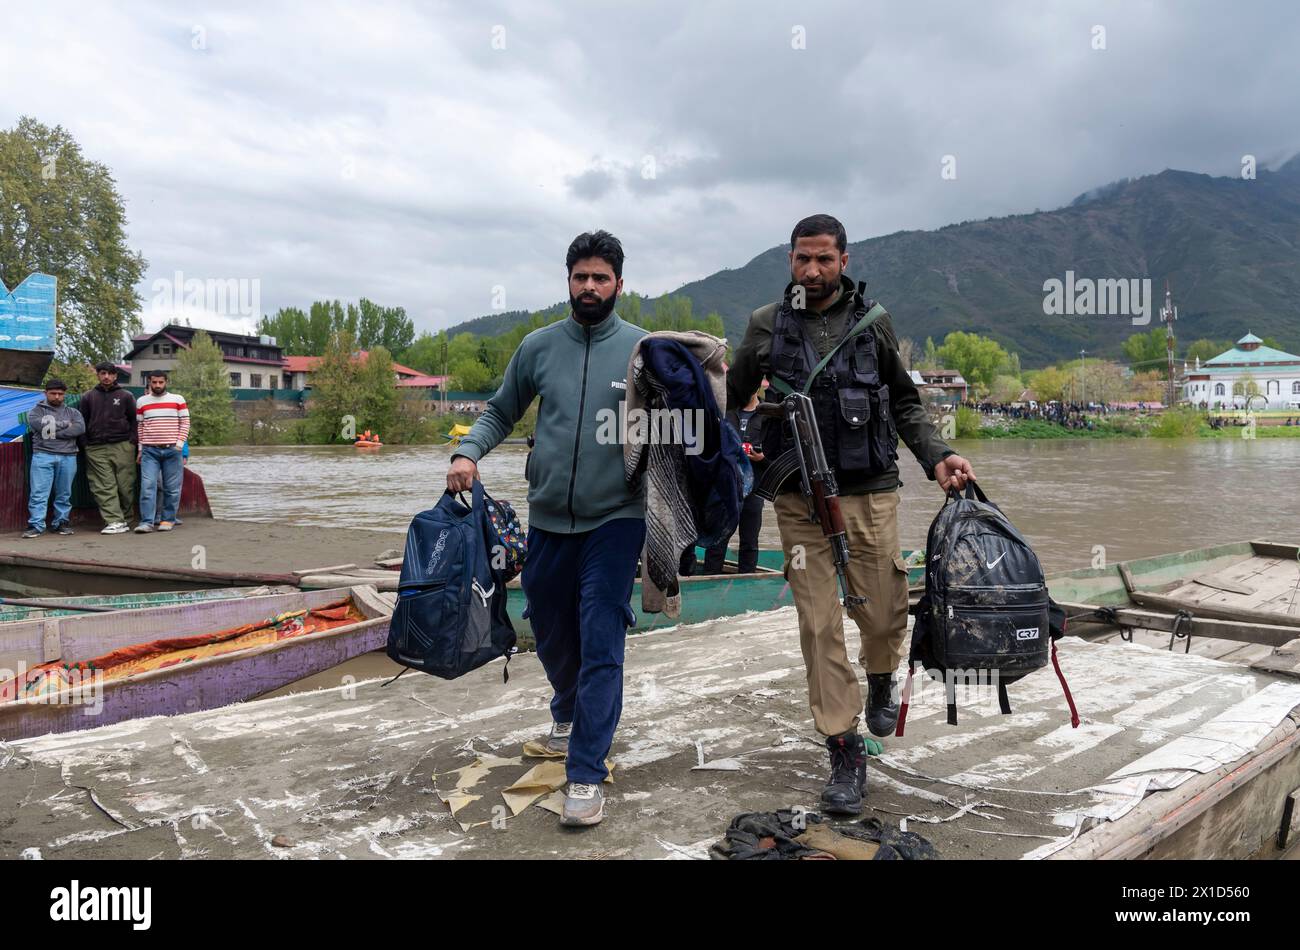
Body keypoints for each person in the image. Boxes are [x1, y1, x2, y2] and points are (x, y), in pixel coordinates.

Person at [726, 214, 975, 816]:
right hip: (797, 499)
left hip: (870, 491)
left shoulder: (873, 323)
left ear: (845, 261)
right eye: (802, 260)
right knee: (818, 624)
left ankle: (884, 674)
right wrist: (738, 443)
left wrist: (938, 457)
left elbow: (907, 403)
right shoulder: (765, 326)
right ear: (789, 260)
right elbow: (732, 400)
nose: (812, 271)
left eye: (824, 260)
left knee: (886, 609)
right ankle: (844, 746)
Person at [447, 231, 646, 828]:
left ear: (618, 283)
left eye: (601, 277)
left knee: (601, 635)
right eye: (580, 276)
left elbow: (680, 425)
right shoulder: (539, 347)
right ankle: (566, 710)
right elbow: (500, 409)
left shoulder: (643, 351)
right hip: (548, 520)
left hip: (618, 517)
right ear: (568, 281)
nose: (590, 287)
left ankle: (586, 773)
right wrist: (469, 454)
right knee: (551, 630)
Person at [700, 387, 770, 574]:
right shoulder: (725, 412)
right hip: (725, 488)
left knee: (749, 541)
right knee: (718, 540)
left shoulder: (767, 414)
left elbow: (775, 455)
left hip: (754, 489)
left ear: (757, 387)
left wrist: (762, 458)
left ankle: (747, 582)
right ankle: (708, 583)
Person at [79, 362, 138, 534]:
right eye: (103, 373)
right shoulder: (88, 396)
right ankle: (114, 520)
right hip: (96, 447)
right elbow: (82, 421)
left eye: (110, 374)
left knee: (125, 485)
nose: (106, 377)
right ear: (97, 375)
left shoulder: (126, 396)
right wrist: (85, 443)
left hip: (122, 445)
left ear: (115, 376)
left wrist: (133, 441)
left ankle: (126, 519)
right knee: (103, 485)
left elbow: (135, 420)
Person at [23, 378, 84, 538]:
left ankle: (61, 523)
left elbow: (79, 429)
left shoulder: (74, 412)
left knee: (64, 493)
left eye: (60, 394)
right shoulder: (36, 411)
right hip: (42, 455)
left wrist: (53, 431)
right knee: (39, 493)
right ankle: (36, 525)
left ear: (65, 394)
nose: (57, 397)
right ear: (45, 393)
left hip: (68, 456)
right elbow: (41, 428)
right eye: (53, 393)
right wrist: (66, 425)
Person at [134, 370, 190, 533]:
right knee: (147, 486)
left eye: (161, 382)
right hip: (149, 451)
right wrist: (140, 449)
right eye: (154, 382)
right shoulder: (141, 401)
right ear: (149, 382)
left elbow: (185, 423)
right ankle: (147, 522)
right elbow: (140, 426)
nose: (157, 385)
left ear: (166, 382)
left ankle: (167, 519)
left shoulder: (178, 399)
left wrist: (179, 445)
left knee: (172, 488)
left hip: (173, 450)